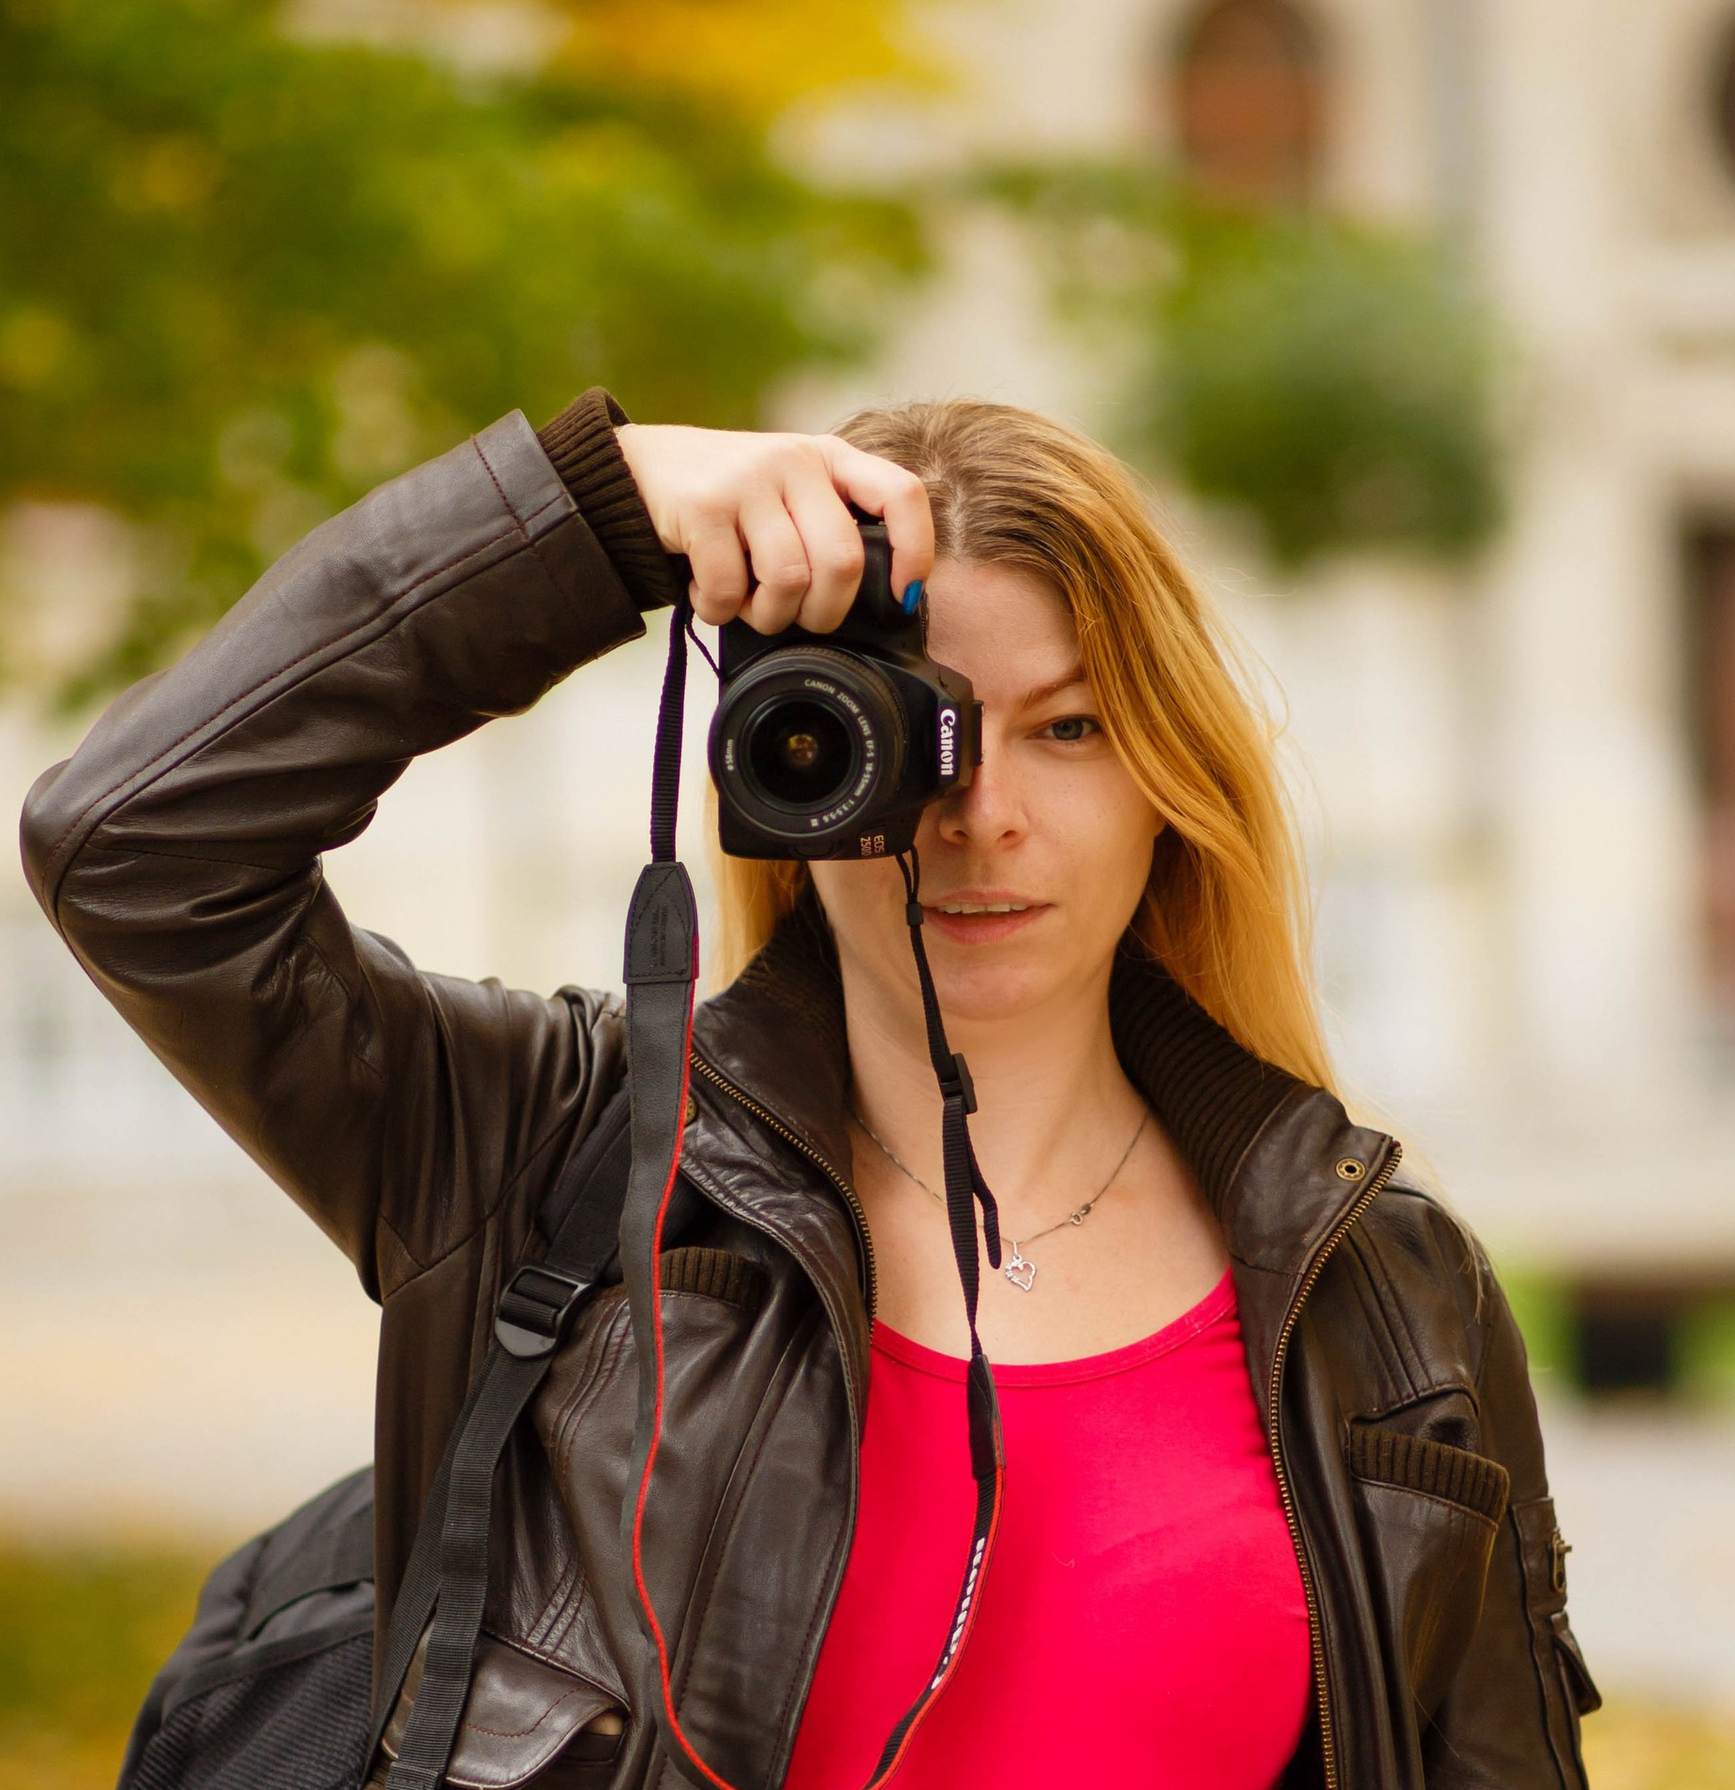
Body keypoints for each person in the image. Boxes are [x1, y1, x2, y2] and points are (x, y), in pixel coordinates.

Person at [20, 387, 1600, 1789]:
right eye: (919, 733)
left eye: (1068, 726)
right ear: (787, 766)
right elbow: (136, 848)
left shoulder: (1379, 1291)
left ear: (1169, 776)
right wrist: (600, 511)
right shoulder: (555, 1152)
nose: (982, 817)